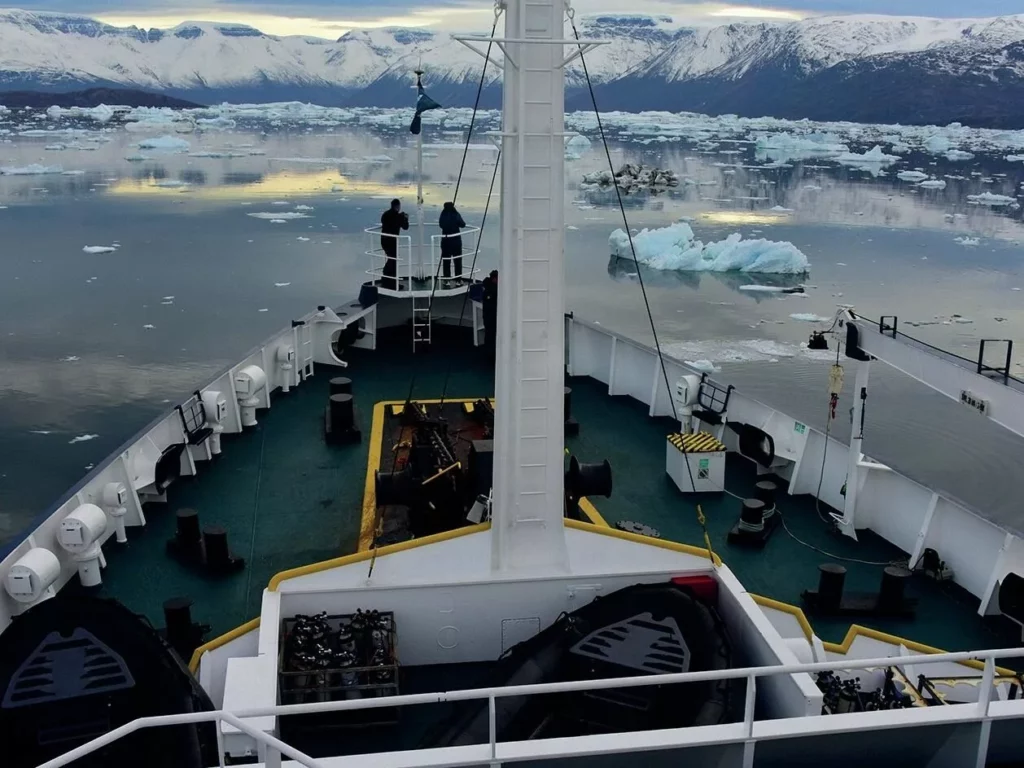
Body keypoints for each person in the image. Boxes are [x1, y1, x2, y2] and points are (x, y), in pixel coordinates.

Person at [379, 199, 408, 290]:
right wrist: (405, 218)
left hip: (384, 240)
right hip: (392, 241)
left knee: (391, 259)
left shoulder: (385, 214)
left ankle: (387, 279)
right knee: (393, 260)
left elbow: (385, 222)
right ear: (398, 206)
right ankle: (389, 281)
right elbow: (405, 227)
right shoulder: (398, 216)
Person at [438, 201, 466, 283]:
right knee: (457, 261)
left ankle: (447, 280)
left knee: (446, 261)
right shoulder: (455, 214)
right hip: (456, 242)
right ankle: (458, 280)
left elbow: (441, 225)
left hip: (445, 242)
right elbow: (463, 224)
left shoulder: (443, 214)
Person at [482, 270, 498, 361]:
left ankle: (490, 355)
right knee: (490, 337)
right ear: (494, 279)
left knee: (490, 337)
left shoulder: (489, 288)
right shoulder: (490, 290)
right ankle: (490, 356)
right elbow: (491, 305)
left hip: (490, 318)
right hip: (490, 318)